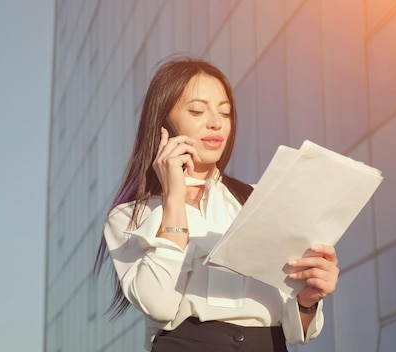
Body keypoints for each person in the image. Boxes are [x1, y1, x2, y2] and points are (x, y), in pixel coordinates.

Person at [94, 56, 339, 352]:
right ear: (164, 124)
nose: (215, 122)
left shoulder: (255, 200)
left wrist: (308, 300)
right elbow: (158, 305)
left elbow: (296, 329)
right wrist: (174, 198)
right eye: (197, 110)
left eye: (225, 112)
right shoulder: (131, 216)